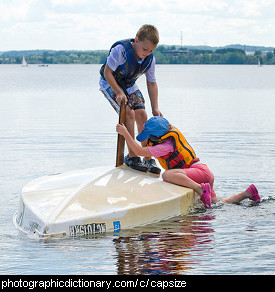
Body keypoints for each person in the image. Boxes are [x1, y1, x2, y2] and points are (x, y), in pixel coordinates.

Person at [116, 116, 261, 208]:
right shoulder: (169, 133)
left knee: (167, 175)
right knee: (218, 205)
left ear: (156, 136)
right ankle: (248, 193)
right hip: (203, 171)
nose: (147, 139)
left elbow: (139, 152)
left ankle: (199, 189)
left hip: (199, 174)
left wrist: (125, 133)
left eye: (149, 136)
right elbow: (160, 120)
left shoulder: (165, 147)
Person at [99, 24, 162, 174]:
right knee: (129, 113)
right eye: (144, 49)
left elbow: (152, 83)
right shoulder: (121, 50)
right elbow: (108, 73)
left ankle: (146, 156)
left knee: (142, 114)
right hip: (109, 83)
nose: (146, 53)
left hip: (129, 84)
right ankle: (133, 157)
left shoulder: (150, 59)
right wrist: (119, 92)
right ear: (136, 40)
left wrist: (155, 107)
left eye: (150, 50)